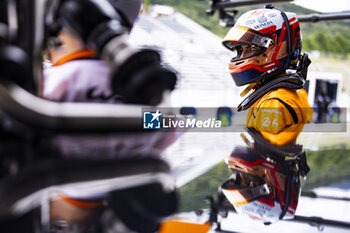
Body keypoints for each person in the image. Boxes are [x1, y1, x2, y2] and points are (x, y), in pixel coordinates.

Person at [221, 5, 313, 145]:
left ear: (275, 48)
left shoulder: (273, 103)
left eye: (251, 48)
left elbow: (266, 159)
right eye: (240, 50)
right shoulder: (283, 94)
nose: (242, 56)